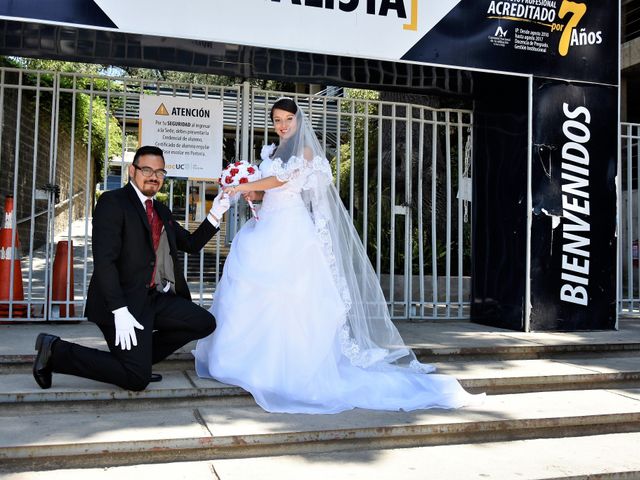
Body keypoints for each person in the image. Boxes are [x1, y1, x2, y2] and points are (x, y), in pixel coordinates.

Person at [193, 98, 483, 413]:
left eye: (288, 118)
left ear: (298, 120)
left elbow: (283, 180)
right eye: (277, 119)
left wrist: (246, 184)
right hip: (264, 228)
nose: (283, 125)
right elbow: (267, 190)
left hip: (290, 231)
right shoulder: (270, 153)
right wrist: (250, 191)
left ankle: (286, 369)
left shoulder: (304, 152)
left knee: (290, 299)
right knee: (253, 294)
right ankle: (244, 361)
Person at [33, 145, 230, 391]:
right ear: (132, 171)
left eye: (160, 172)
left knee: (204, 322)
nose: (154, 176)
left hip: (151, 298)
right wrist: (119, 310)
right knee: (136, 380)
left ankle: (138, 362)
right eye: (147, 169)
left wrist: (216, 213)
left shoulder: (160, 210)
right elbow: (105, 262)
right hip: (120, 302)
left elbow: (190, 244)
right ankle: (56, 350)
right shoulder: (112, 202)